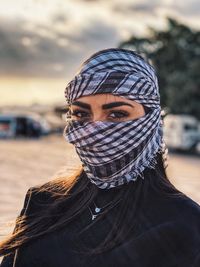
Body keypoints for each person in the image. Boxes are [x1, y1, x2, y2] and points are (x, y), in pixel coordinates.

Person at [0, 48, 200, 267]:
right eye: (81, 114)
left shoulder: (187, 225)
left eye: (117, 114)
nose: (94, 131)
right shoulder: (41, 202)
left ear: (151, 120)